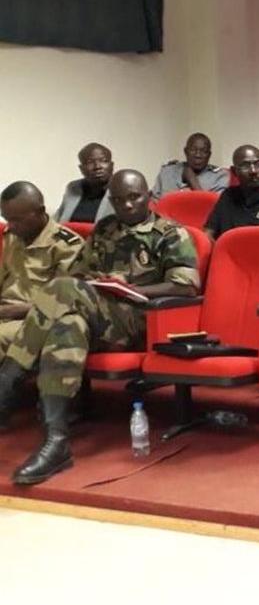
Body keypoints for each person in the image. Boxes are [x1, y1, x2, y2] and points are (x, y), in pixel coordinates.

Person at [0, 170, 200, 484]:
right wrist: (100, 284)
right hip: (98, 314)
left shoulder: (170, 233)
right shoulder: (105, 229)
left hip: (139, 319)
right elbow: (80, 275)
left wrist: (131, 288)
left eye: (134, 197)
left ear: (149, 196)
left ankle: (7, 384)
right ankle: (56, 442)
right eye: (119, 200)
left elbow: (186, 286)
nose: (127, 205)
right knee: (68, 326)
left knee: (61, 288)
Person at [0, 182, 85, 357]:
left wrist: (10, 311)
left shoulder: (66, 246)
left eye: (17, 220)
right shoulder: (12, 236)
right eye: (7, 219)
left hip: (35, 320)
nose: (11, 226)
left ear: (40, 211)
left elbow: (63, 303)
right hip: (5, 314)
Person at [152, 133, 230, 199]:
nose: (198, 155)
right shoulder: (167, 172)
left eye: (204, 151)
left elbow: (215, 209)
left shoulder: (220, 177)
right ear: (185, 152)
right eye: (193, 150)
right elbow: (153, 205)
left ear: (209, 155)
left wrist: (192, 180)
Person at [56, 143, 114, 223]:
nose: (97, 167)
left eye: (103, 161)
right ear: (81, 168)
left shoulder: (120, 190)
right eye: (90, 162)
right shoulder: (73, 188)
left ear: (111, 165)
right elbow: (58, 220)